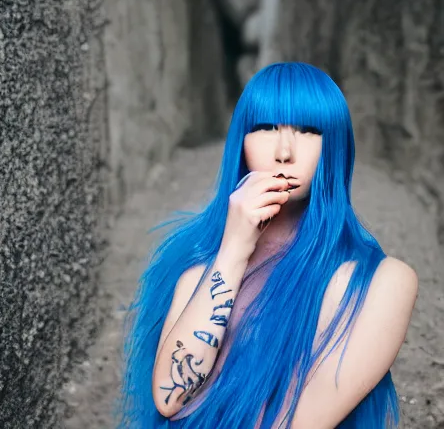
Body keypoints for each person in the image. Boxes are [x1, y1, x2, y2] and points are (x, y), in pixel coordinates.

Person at [116, 62, 418, 428]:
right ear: (241, 144)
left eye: (308, 130)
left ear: (335, 146)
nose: (284, 151)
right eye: (266, 127)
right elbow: (169, 397)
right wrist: (233, 249)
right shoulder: (198, 267)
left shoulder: (378, 282)